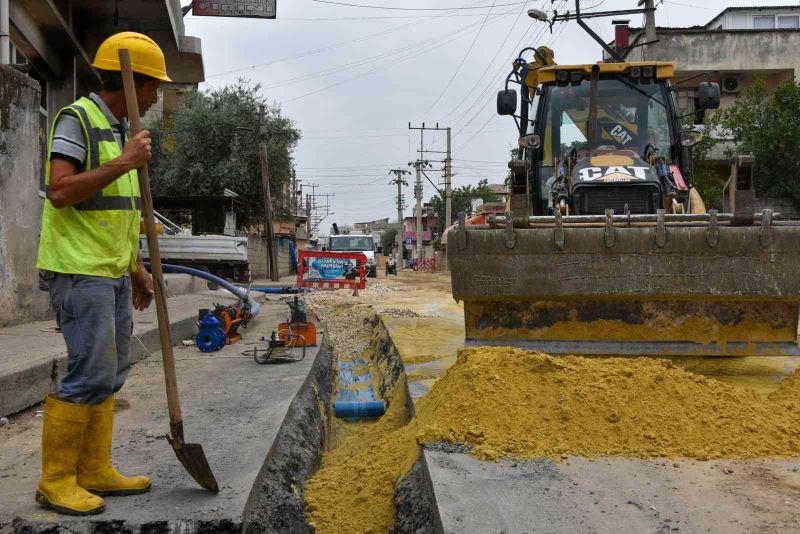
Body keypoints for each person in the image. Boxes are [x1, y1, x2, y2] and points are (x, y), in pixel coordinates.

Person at [35, 31, 170, 516]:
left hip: (110, 271)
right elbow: (61, 192)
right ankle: (55, 481)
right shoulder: (78, 120)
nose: (156, 98)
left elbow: (119, 212)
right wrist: (124, 162)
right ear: (132, 83)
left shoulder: (120, 133)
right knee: (89, 373)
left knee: (111, 374)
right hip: (79, 270)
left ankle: (93, 470)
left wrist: (135, 270)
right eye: (154, 87)